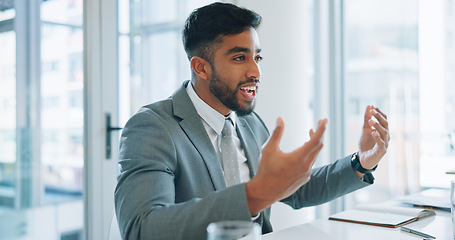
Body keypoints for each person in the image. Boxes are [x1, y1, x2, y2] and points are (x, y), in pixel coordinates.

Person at [114, 2, 390, 240]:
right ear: (201, 67)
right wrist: (252, 196)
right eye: (239, 57)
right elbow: (143, 228)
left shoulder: (248, 123)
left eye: (257, 57)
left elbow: (294, 189)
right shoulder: (152, 127)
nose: (255, 71)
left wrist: (361, 161)